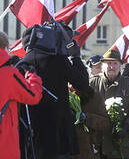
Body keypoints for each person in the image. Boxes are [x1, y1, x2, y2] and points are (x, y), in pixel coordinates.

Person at [17, 25, 89, 159]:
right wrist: (75, 56)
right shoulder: (58, 61)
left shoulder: (19, 66)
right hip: (58, 136)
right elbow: (83, 84)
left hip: (30, 138)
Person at [90, 49, 129, 159]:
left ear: (120, 66)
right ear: (102, 65)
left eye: (115, 63)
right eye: (108, 63)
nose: (112, 67)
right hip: (96, 141)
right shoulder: (92, 83)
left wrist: (127, 127)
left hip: (120, 143)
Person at [0, 31, 43, 159]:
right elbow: (33, 96)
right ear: (6, 48)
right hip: (5, 145)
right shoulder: (9, 74)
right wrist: (32, 75)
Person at [69, 86, 109, 159]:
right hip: (68, 149)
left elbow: (104, 122)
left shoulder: (94, 96)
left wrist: (86, 117)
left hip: (88, 148)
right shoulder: (61, 94)